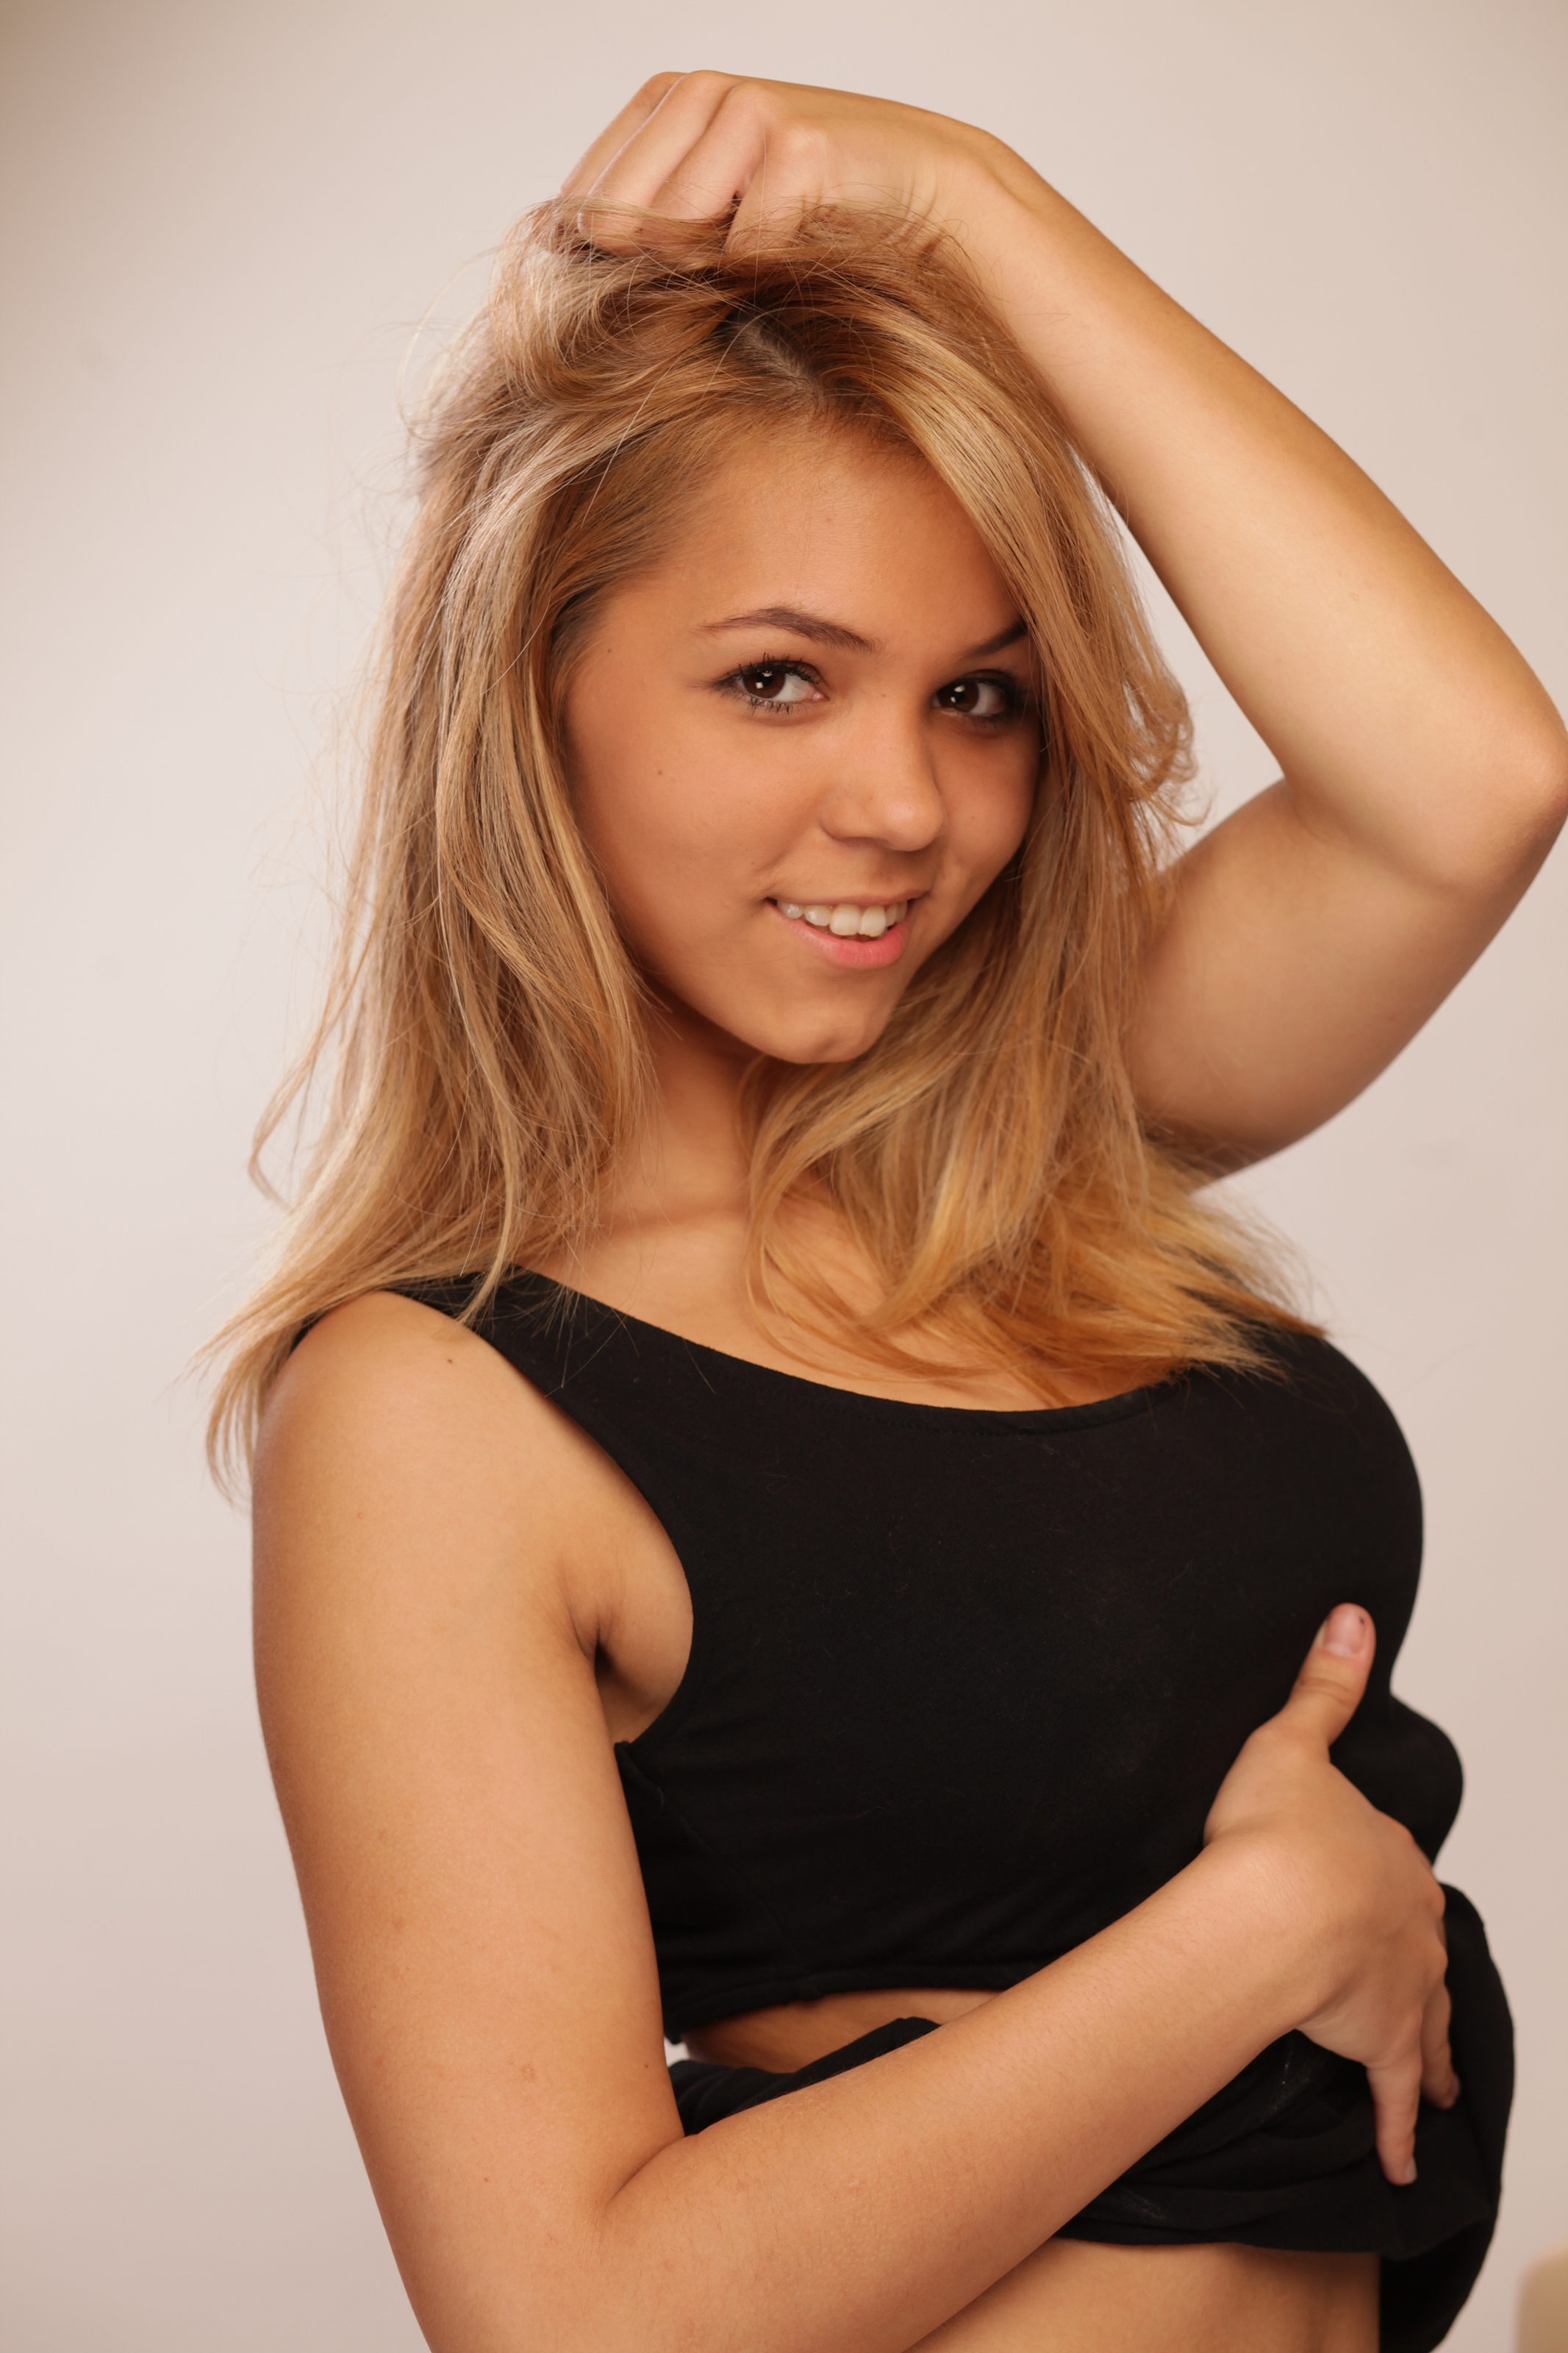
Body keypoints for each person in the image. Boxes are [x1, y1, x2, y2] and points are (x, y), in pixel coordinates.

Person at [214, 75, 1567, 2353]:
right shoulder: (430, 1413)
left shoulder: (1045, 1131)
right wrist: (1254, 1939)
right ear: (535, 697)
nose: (909, 806)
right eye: (778, 680)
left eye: (981, 699)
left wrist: (969, 200)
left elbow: (1477, 783)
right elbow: (573, 2319)